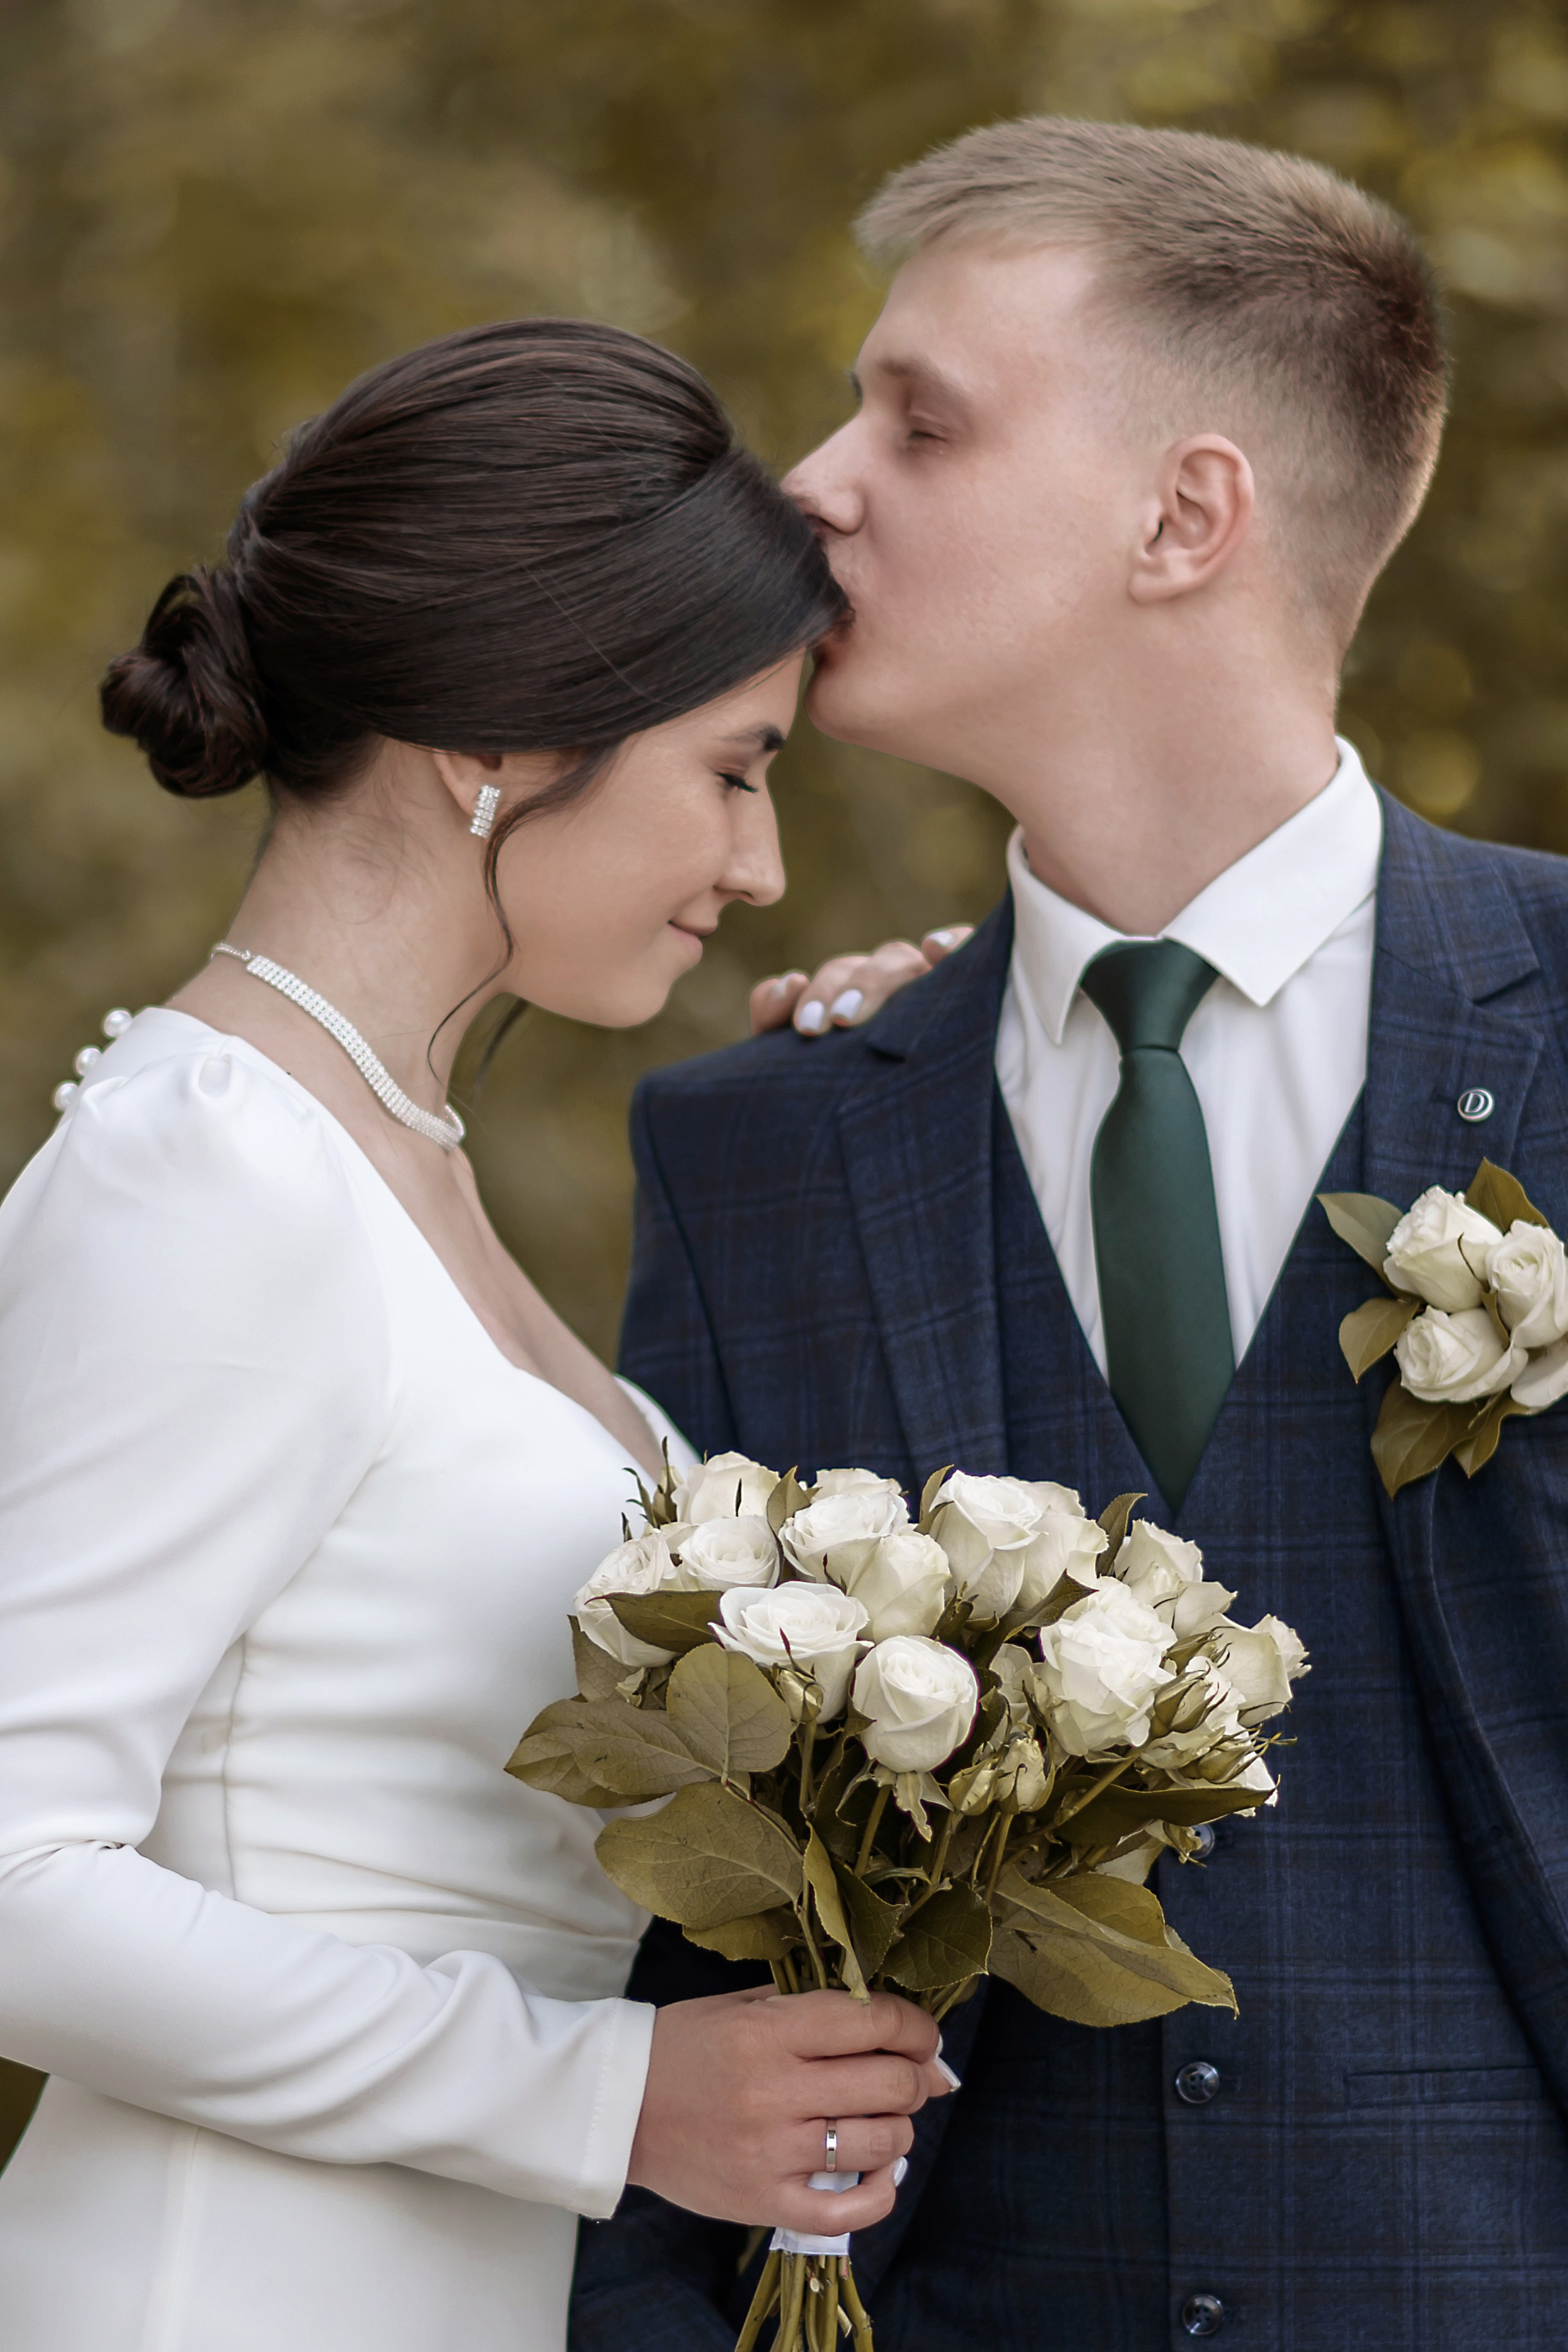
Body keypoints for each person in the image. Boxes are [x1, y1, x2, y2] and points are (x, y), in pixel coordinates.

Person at [571, 119, 1568, 2349]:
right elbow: (680, 1899)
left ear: (1184, 514)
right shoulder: (764, 1153)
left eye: (917, 420)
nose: (814, 484)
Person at [0, 316, 961, 2352]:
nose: (756, 865)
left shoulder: (384, 1156)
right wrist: (598, 2095)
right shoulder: (213, 1173)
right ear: (507, 740)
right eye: (730, 771)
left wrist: (976, 1062)